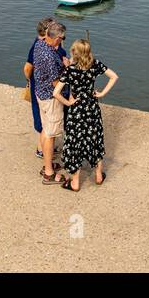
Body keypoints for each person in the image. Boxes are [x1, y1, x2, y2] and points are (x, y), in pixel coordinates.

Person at [53, 38, 118, 192]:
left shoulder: (70, 70)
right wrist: (102, 93)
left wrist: (69, 103)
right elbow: (114, 76)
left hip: (76, 110)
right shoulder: (95, 64)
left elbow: (55, 93)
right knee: (95, 139)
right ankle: (98, 176)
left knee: (75, 141)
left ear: (74, 53)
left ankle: (75, 182)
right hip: (92, 108)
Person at [31, 21, 69, 183]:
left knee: (46, 129)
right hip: (50, 99)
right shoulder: (49, 57)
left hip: (40, 93)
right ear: (57, 38)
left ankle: (47, 164)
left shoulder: (39, 44)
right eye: (62, 38)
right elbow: (56, 84)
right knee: (50, 134)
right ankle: (49, 173)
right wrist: (67, 68)